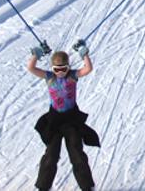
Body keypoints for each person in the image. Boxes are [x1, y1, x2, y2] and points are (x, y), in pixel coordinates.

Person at [28, 41, 99, 191]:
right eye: (56, 69)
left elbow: (88, 69)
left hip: (71, 121)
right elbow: (31, 68)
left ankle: (87, 187)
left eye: (64, 68)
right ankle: (42, 187)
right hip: (54, 121)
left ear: (68, 66)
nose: (60, 72)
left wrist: (83, 53)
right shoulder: (49, 77)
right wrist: (37, 54)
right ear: (52, 68)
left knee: (77, 153)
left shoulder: (72, 76)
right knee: (51, 155)